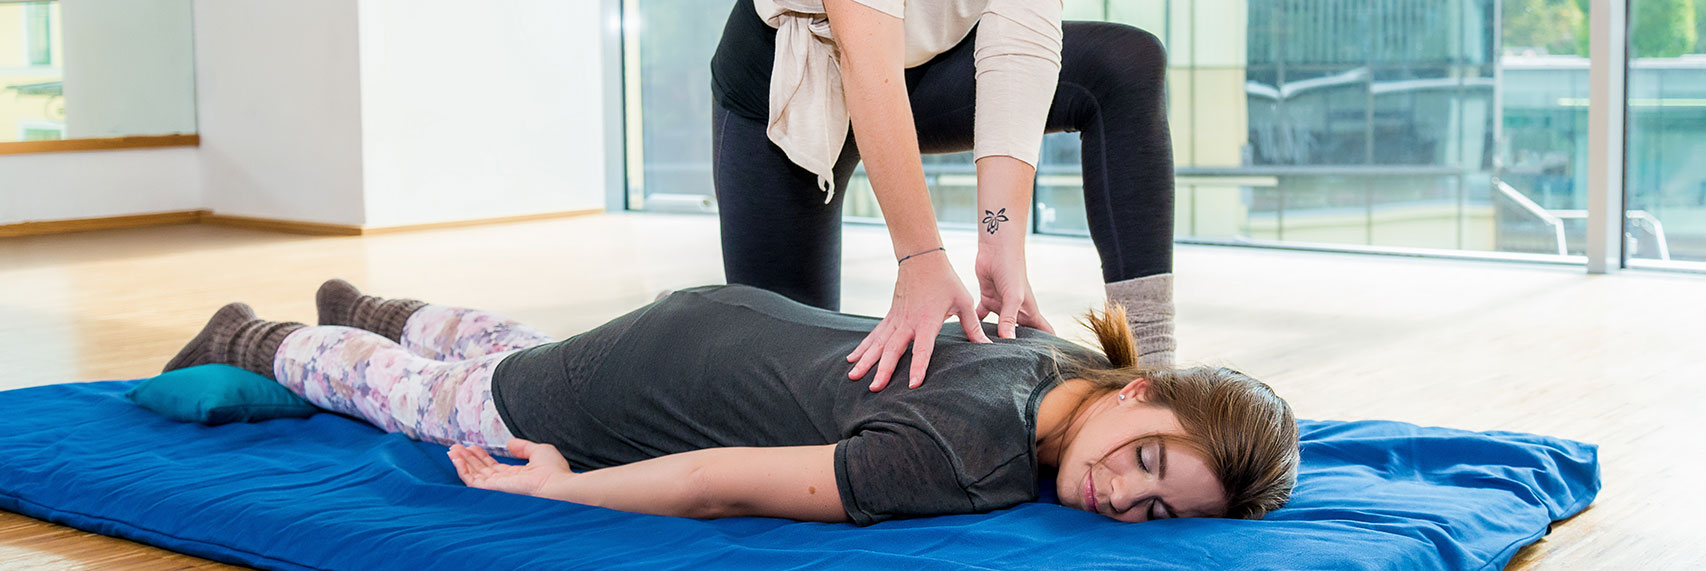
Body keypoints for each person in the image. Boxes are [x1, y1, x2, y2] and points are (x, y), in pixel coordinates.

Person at [164, 280, 1298, 524]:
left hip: (708, 318)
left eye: (1155, 511)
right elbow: (717, 479)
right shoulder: (962, 458)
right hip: (613, 399)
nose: (1116, 493)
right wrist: (573, 485)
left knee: (518, 346)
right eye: (1145, 459)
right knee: (454, 399)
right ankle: (262, 336)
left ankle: (385, 304)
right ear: (1140, 390)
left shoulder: (1051, 356)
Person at [710, 0, 1180, 390]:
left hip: (920, 71)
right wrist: (921, 259)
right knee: (782, 374)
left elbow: (1020, 40)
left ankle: (1157, 377)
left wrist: (1002, 243)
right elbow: (869, 62)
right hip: (785, 85)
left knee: (1125, 63)